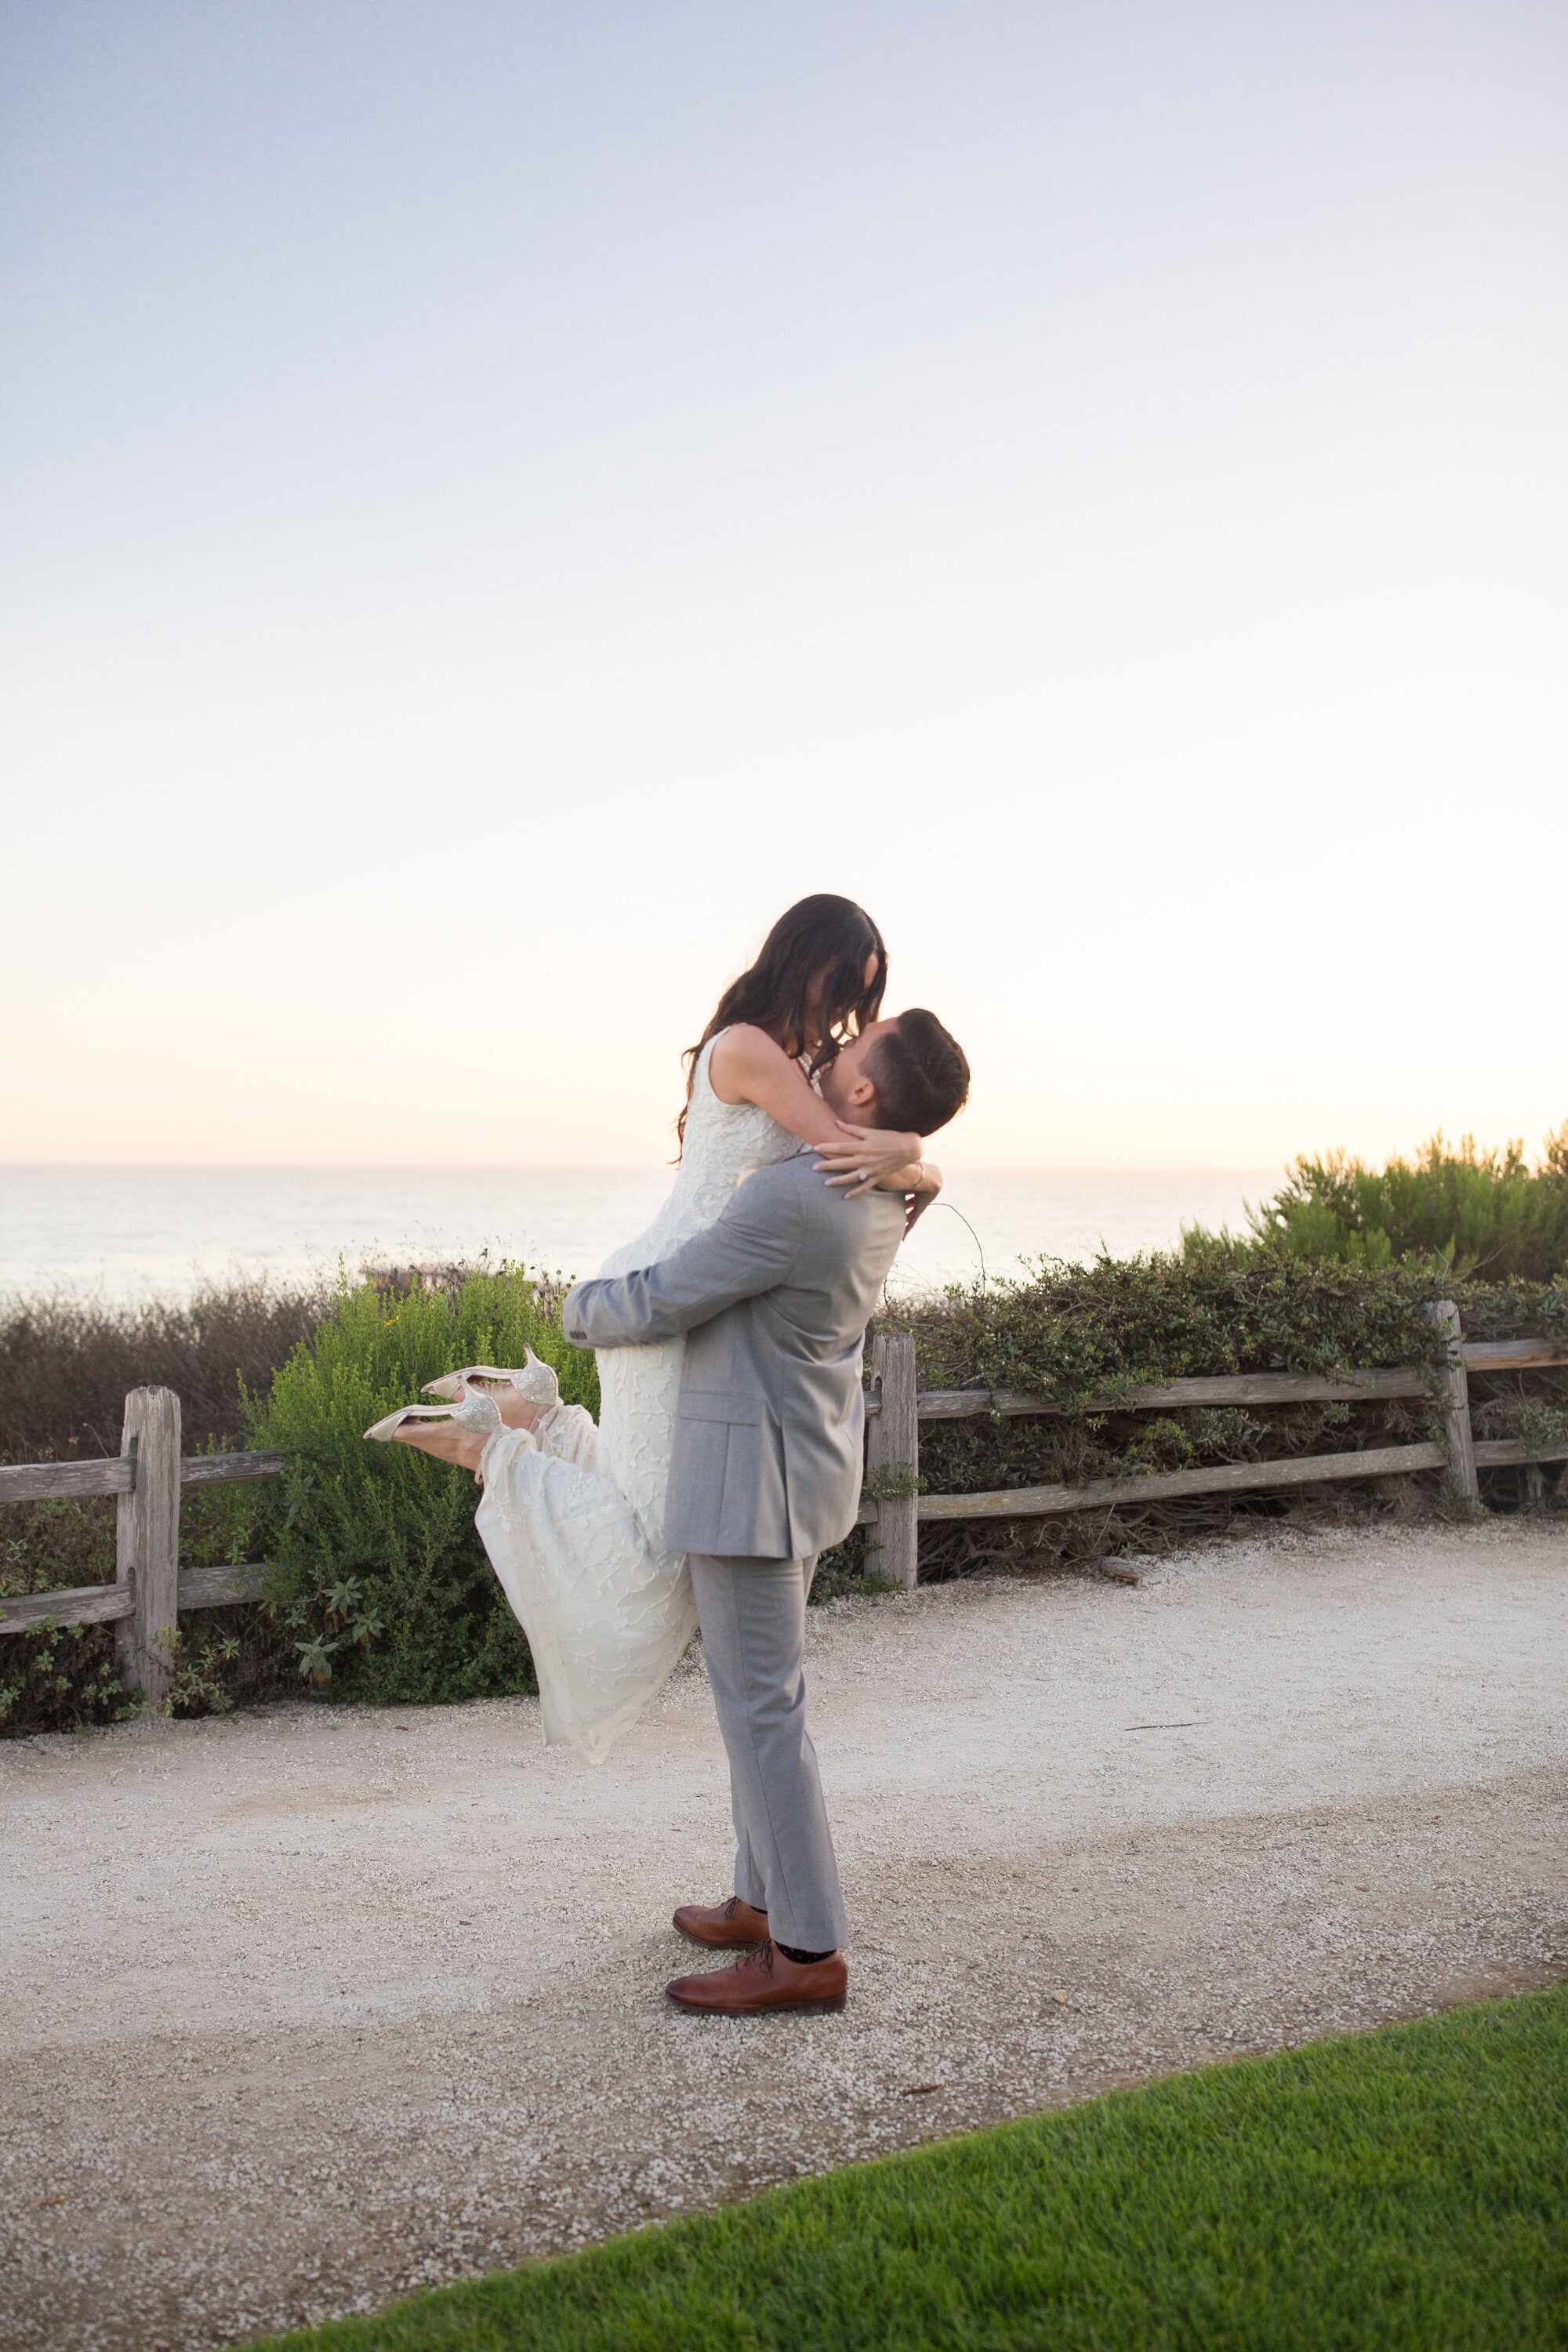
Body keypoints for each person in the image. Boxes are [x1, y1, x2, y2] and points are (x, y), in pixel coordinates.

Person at [392, 1000, 971, 2016]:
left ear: (866, 1093)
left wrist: (578, 1310)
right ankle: (760, 1899)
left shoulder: (791, 1196)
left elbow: (662, 1299)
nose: (831, 1052)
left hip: (752, 1490)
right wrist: (914, 1153)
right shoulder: (884, 1189)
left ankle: (806, 1950)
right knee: (761, 1703)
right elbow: (911, 1176)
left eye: (851, 1052)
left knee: (764, 1715)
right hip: (807, 1471)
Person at [366, 896, 943, 1762]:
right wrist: (911, 1153)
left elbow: (854, 1153)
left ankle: (535, 1422)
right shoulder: (751, 1049)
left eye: (866, 1002)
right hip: (673, 1296)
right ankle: (500, 1446)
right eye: (848, 988)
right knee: (656, 1544)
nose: (850, 1015)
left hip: (699, 1294)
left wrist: (912, 1159)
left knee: (660, 1523)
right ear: (809, 958)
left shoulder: (782, 1057)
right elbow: (841, 1145)